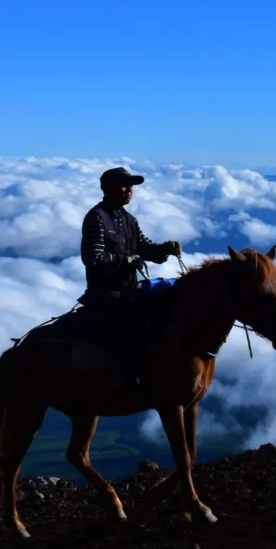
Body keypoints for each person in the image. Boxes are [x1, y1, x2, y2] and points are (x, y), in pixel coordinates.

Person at [79, 166, 182, 392]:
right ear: (107, 188)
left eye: (131, 186)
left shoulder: (129, 220)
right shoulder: (97, 217)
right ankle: (125, 378)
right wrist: (127, 261)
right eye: (124, 185)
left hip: (130, 291)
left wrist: (165, 248)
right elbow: (93, 258)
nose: (129, 190)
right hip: (106, 295)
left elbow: (145, 248)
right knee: (126, 331)